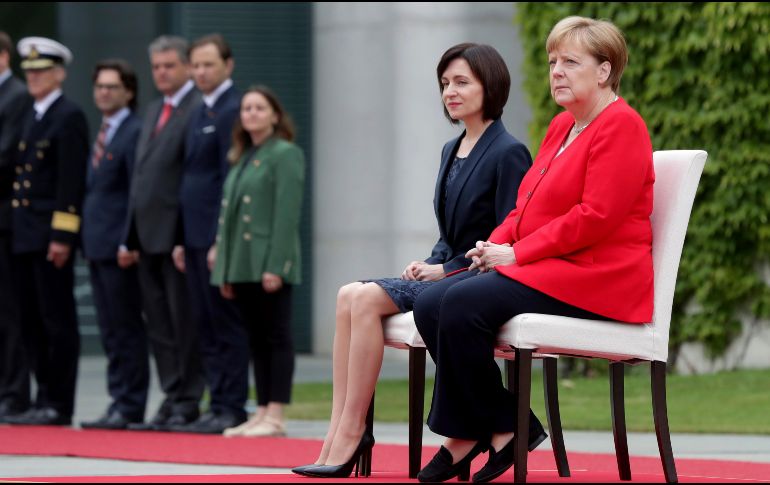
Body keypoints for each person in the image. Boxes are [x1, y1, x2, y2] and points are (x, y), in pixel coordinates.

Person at [412, 16, 654, 483]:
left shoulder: (622, 126)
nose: (556, 71)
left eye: (570, 62)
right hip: (552, 266)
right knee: (430, 302)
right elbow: (525, 208)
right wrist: (494, 245)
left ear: (603, 71)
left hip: (597, 276)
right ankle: (502, 426)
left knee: (461, 304)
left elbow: (595, 217)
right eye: (551, 62)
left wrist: (517, 256)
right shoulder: (563, 125)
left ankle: (478, 433)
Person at [292, 43, 532, 478]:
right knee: (348, 294)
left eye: (461, 82)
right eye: (444, 83)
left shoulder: (508, 152)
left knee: (363, 300)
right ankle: (339, 430)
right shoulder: (451, 148)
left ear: (490, 85)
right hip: (447, 272)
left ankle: (351, 434)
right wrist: (430, 261)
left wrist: (446, 268)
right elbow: (448, 234)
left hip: (473, 278)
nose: (450, 92)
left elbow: (506, 235)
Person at [210, 85, 305, 438]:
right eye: (247, 108)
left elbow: (286, 214)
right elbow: (230, 216)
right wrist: (223, 261)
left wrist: (275, 266)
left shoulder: (286, 153)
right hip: (243, 261)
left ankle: (276, 415)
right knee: (256, 338)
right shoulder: (244, 155)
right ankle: (262, 411)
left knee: (276, 336)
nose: (251, 113)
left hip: (268, 261)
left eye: (259, 108)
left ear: (274, 115)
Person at [5, 36, 89, 426]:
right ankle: (42, 397)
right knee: (30, 319)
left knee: (56, 319)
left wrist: (62, 236)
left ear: (59, 74)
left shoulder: (68, 115)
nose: (35, 77)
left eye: (43, 71)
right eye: (31, 71)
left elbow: (69, 183)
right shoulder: (31, 114)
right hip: (23, 231)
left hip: (48, 233)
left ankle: (59, 402)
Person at [123, 35, 204, 431]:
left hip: (176, 235)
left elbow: (187, 178)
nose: (162, 73)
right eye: (156, 67)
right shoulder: (155, 109)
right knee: (157, 322)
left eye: (169, 65)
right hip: (146, 235)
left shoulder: (194, 108)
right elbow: (140, 178)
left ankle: (188, 398)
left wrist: (180, 236)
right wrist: (130, 236)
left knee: (181, 320)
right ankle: (172, 394)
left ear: (187, 66)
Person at [171, 33, 249, 434]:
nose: (201, 72)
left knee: (224, 323)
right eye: (196, 66)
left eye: (208, 65)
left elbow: (227, 181)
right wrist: (183, 237)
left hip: (217, 239)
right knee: (203, 322)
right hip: (195, 236)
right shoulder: (198, 110)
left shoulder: (233, 110)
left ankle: (230, 406)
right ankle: (214, 402)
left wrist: (221, 238)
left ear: (227, 65)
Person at [79, 59, 148, 430]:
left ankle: (130, 404)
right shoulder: (104, 129)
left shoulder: (133, 131)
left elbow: (133, 194)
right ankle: (117, 399)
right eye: (100, 86)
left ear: (129, 92)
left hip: (119, 248)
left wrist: (128, 240)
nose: (104, 93)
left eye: (112, 87)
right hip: (96, 244)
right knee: (109, 329)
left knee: (125, 328)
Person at [0, 30, 33, 423]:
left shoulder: (16, 96)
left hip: (8, 220)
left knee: (10, 313)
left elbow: (7, 155)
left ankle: (14, 392)